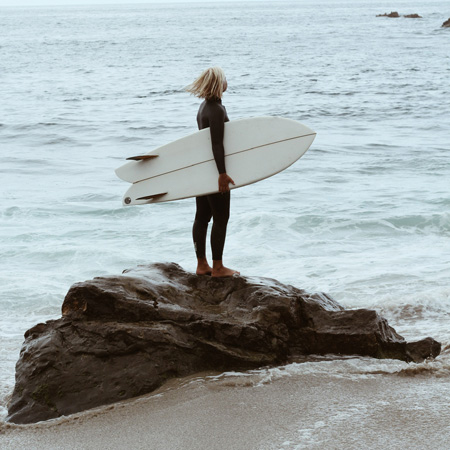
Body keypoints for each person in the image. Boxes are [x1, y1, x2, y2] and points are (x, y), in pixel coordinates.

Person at [186, 67, 239, 277]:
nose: (227, 81)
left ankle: (202, 265)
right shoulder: (216, 109)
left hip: (203, 169)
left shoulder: (203, 107)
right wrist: (222, 173)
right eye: (225, 78)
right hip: (214, 170)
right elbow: (216, 144)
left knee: (202, 217)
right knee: (221, 217)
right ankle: (218, 267)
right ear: (218, 83)